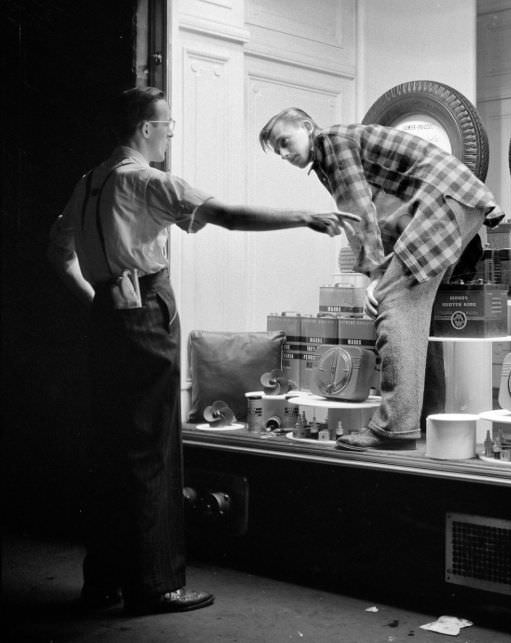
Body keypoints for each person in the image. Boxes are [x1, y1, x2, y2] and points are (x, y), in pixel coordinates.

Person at [47, 87, 356, 615]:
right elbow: (228, 214)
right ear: (145, 128)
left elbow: (57, 251)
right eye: (167, 124)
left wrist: (98, 297)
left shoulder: (91, 180)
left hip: (107, 320)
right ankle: (157, 584)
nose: (171, 133)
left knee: (112, 451)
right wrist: (304, 216)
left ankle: (103, 585)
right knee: (153, 451)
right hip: (145, 316)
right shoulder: (145, 181)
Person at [259, 108, 504, 451]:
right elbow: (381, 212)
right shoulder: (335, 148)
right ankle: (421, 419)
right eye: (278, 151)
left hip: (444, 200)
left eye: (285, 142)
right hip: (458, 200)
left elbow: (357, 213)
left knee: (395, 309)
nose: (285, 154)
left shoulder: (332, 143)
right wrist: (380, 268)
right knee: (416, 316)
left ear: (306, 126)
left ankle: (393, 429)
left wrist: (376, 274)